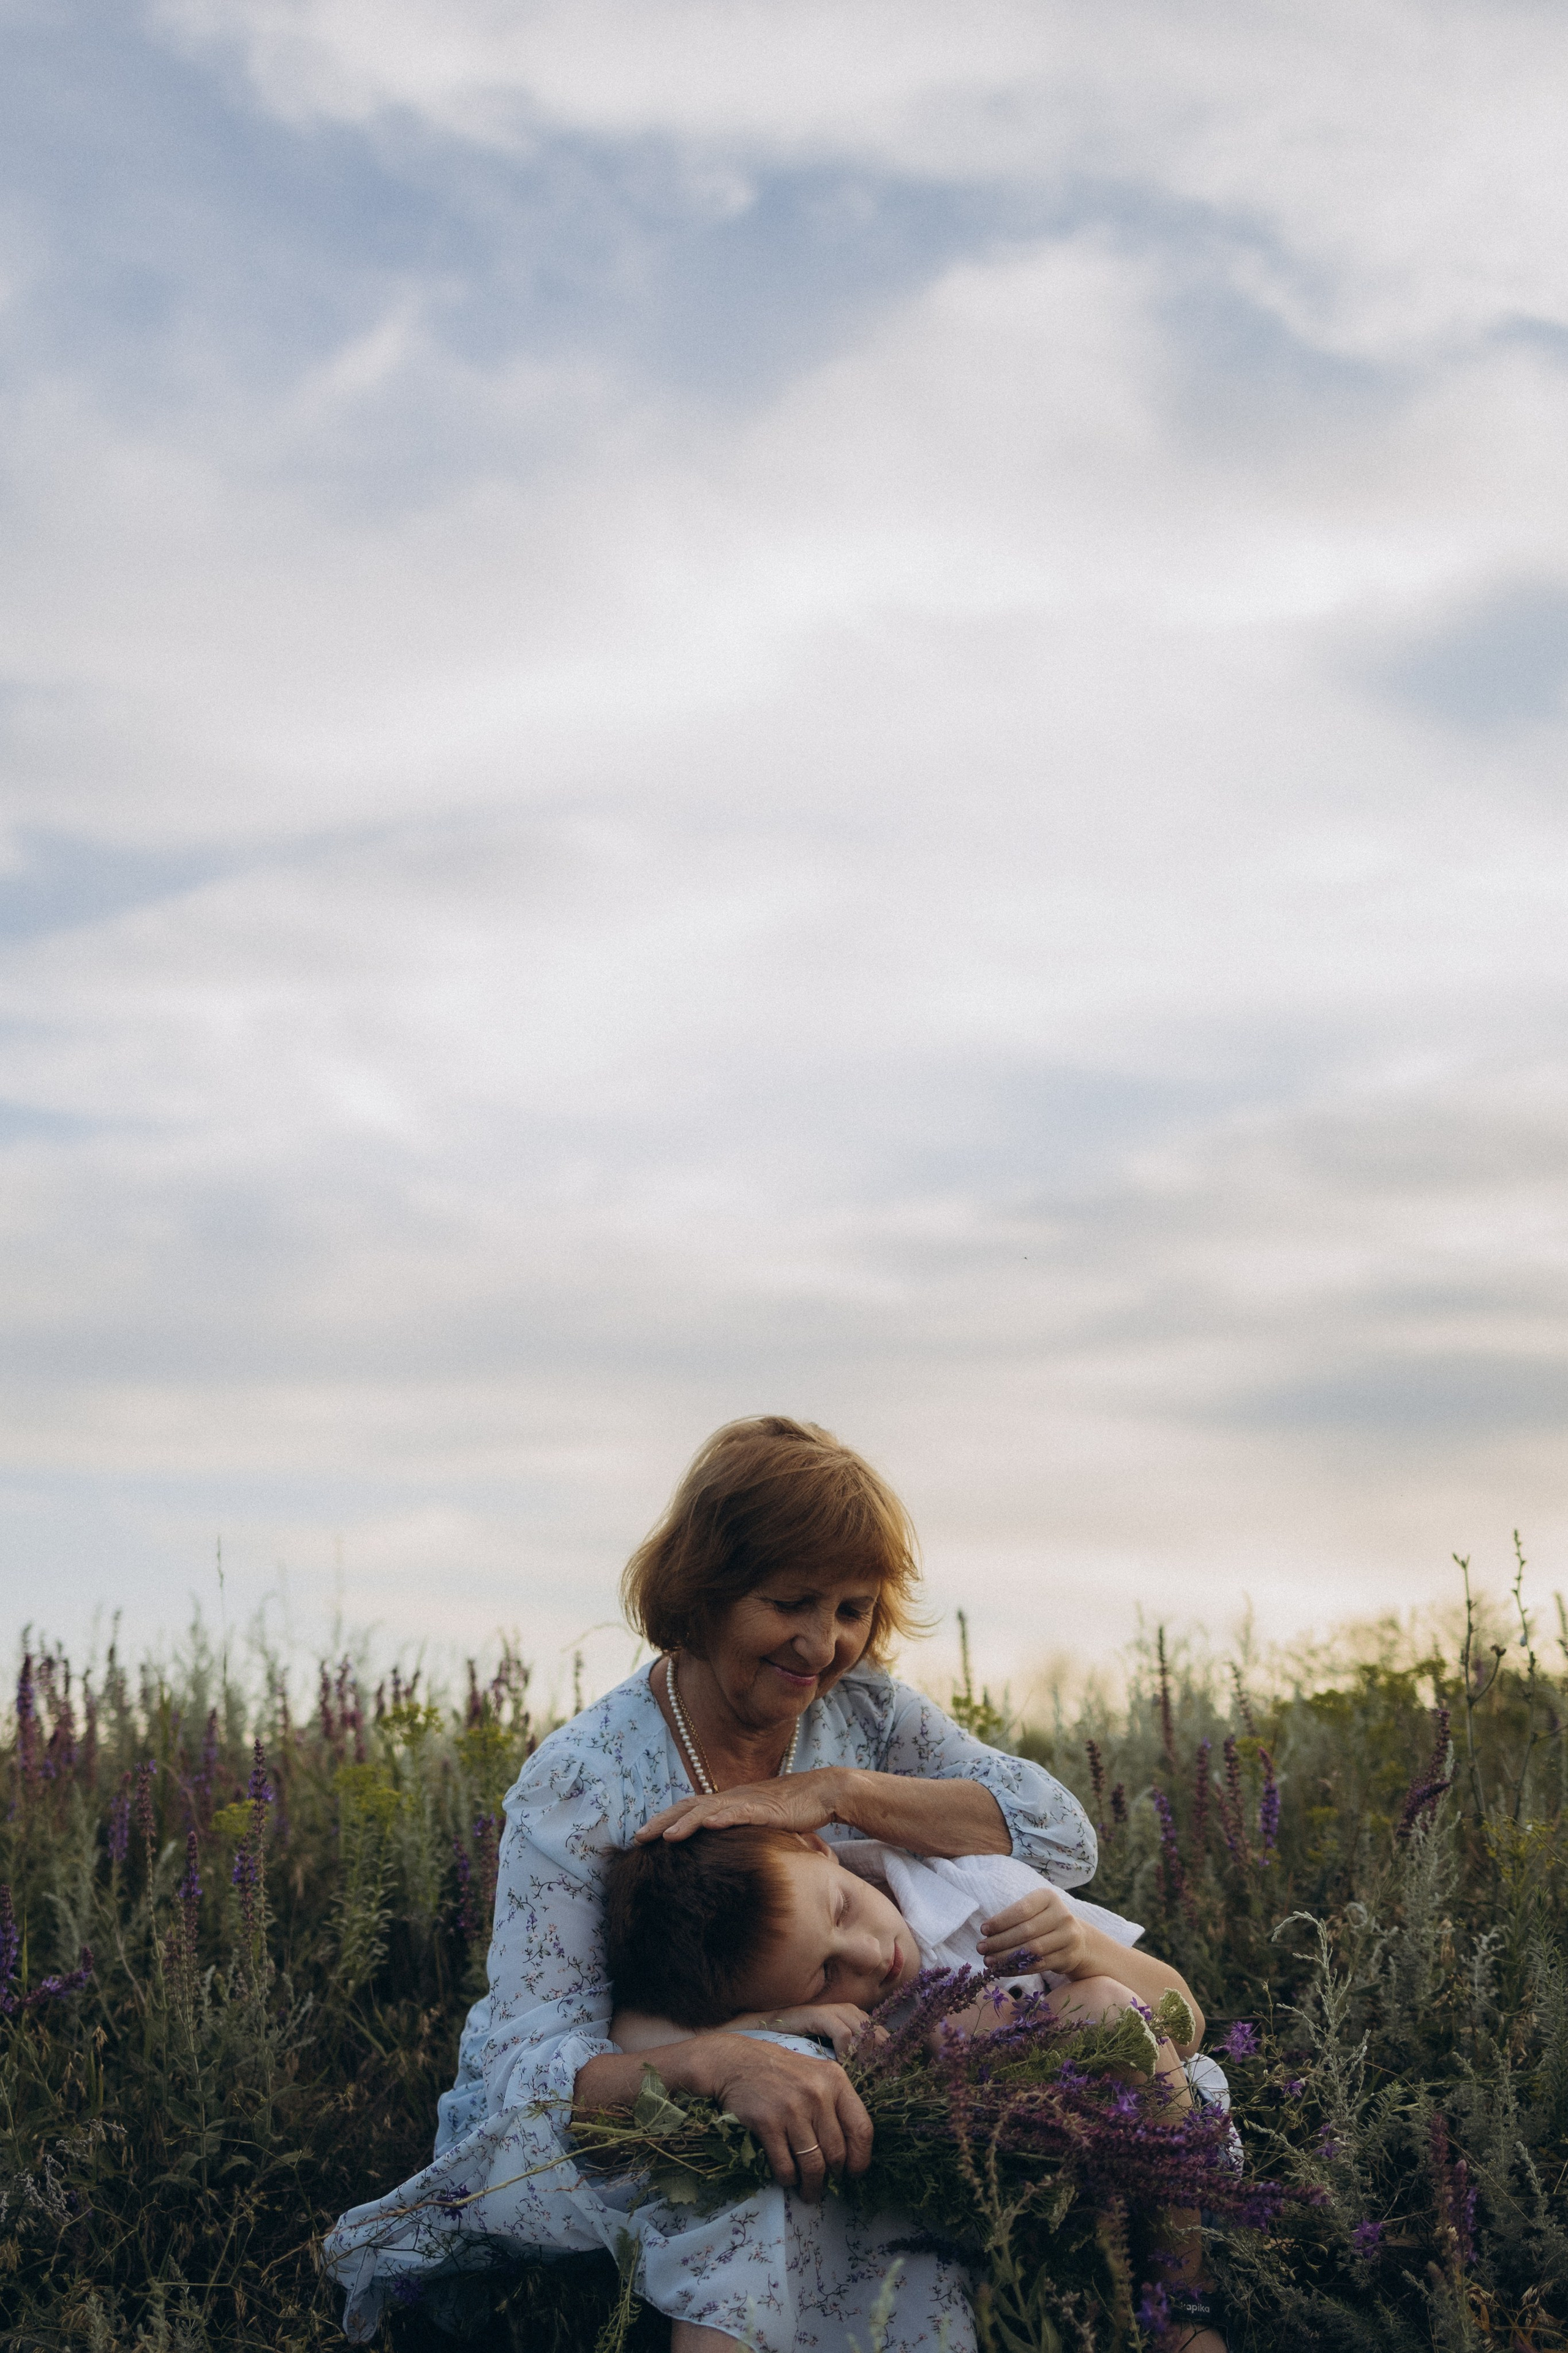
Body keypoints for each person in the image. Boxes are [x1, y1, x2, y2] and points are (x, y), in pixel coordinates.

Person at [324, 1416, 1102, 2351]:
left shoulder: (866, 1713)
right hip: (620, 2109)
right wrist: (721, 2061)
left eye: (854, 1608)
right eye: (791, 1601)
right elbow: (530, 2078)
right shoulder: (584, 1780)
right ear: (705, 1594)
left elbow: (1061, 1835)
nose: (823, 1643)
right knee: (783, 2116)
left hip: (853, 2060)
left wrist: (837, 1791)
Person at [605, 1826, 1232, 2353]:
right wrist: (771, 2023)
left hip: (1160, 2141)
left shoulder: (969, 1887)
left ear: (818, 1848)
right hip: (1015, 2184)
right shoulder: (813, 2008)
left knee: (1105, 2008)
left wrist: (1085, 1946)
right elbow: (634, 2031)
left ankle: (1184, 2300)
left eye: (843, 1910)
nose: (870, 1955)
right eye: (825, 1973)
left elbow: (1187, 2023)